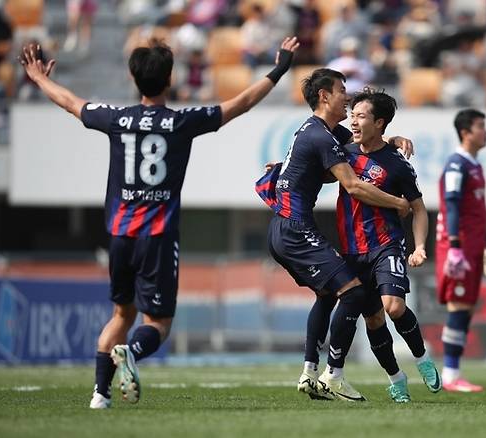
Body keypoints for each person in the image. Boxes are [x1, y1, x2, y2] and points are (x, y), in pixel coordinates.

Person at [18, 36, 300, 409]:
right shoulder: (182, 121)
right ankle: (131, 353)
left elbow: (72, 103)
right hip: (158, 236)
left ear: (135, 81)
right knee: (158, 323)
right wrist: (279, 68)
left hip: (120, 234)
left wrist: (38, 79)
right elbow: (241, 103)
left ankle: (99, 396)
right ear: (169, 79)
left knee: (121, 313)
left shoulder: (117, 119)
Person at [256, 68, 412, 402]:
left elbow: (362, 142)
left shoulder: (321, 131)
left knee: (328, 295)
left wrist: (393, 141)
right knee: (354, 294)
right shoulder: (320, 136)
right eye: (343, 90)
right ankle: (334, 376)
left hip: (284, 229)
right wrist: (398, 201)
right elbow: (353, 185)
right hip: (295, 229)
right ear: (325, 96)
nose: (348, 97)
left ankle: (310, 373)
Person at [337, 88, 441, 402]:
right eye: (352, 115)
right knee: (373, 319)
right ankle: (396, 378)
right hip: (352, 250)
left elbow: (419, 209)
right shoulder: (342, 152)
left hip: (386, 245)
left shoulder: (397, 165)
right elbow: (312, 165)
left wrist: (419, 246)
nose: (353, 121)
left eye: (361, 116)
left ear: (379, 122)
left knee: (393, 307)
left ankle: (422, 358)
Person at [435, 109, 486, 393]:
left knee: (466, 307)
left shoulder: (475, 165)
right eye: (481, 127)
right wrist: (455, 248)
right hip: (458, 245)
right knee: (459, 307)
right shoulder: (456, 165)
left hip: (472, 246)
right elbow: (450, 205)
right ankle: (450, 375)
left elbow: (475, 213)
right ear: (466, 133)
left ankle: (453, 373)